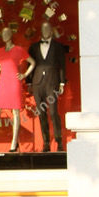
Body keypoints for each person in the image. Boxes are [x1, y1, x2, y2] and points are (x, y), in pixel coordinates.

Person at [0, 26, 33, 153]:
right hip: (3, 81)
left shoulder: (19, 50)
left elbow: (33, 62)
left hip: (14, 82)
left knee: (15, 112)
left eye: (7, 33)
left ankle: (14, 143)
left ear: (11, 35)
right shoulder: (0, 51)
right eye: (3, 33)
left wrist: (24, 75)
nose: (4, 35)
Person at [28, 22, 68, 152]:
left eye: (48, 28)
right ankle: (46, 142)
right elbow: (30, 65)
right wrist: (29, 82)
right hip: (37, 83)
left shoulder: (58, 47)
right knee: (41, 113)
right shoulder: (33, 47)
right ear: (40, 30)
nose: (45, 31)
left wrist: (62, 82)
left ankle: (59, 140)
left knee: (53, 112)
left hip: (53, 82)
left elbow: (62, 65)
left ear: (52, 30)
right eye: (43, 28)